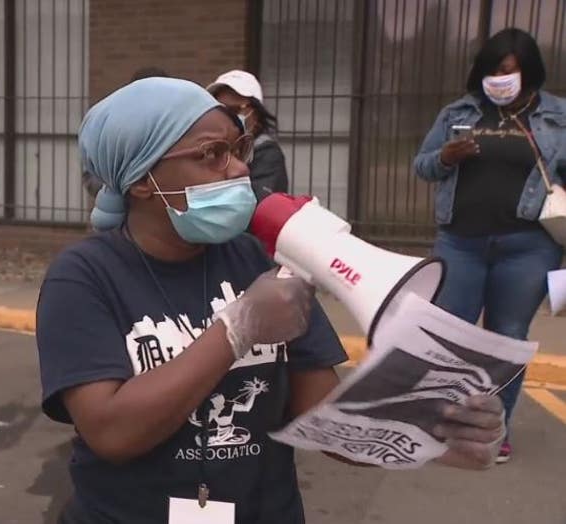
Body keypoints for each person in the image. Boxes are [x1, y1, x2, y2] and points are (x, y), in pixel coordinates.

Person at [37, 77, 507, 524]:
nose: (239, 168)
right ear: (143, 179)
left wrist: (429, 432)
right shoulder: (83, 278)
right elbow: (112, 433)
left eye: (237, 149)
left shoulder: (257, 260)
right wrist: (236, 329)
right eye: (212, 154)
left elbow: (320, 415)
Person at [413, 28, 566, 464]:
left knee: (507, 339)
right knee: (450, 339)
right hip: (459, 243)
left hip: (528, 248)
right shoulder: (458, 111)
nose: (496, 80)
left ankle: (493, 431)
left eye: (506, 72)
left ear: (529, 72)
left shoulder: (558, 116)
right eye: (489, 72)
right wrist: (447, 157)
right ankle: (445, 422)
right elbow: (422, 166)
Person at [81, 67, 171, 207]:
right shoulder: (109, 128)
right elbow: (92, 180)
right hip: (121, 217)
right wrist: (124, 189)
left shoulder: (177, 129)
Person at [208, 70, 288, 200]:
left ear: (256, 114)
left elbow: (259, 203)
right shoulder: (206, 148)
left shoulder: (266, 153)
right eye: (220, 109)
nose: (226, 117)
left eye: (234, 110)